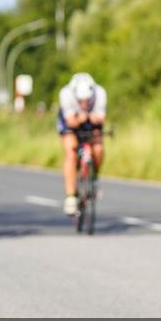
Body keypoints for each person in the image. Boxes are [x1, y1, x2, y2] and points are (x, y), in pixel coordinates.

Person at [57, 72, 107, 215]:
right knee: (71, 152)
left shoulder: (100, 93)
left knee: (98, 148)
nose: (84, 103)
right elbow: (71, 121)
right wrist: (81, 118)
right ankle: (70, 197)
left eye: (87, 100)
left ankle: (94, 179)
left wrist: (91, 118)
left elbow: (101, 119)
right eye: (81, 101)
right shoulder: (66, 94)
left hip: (91, 122)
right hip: (71, 122)